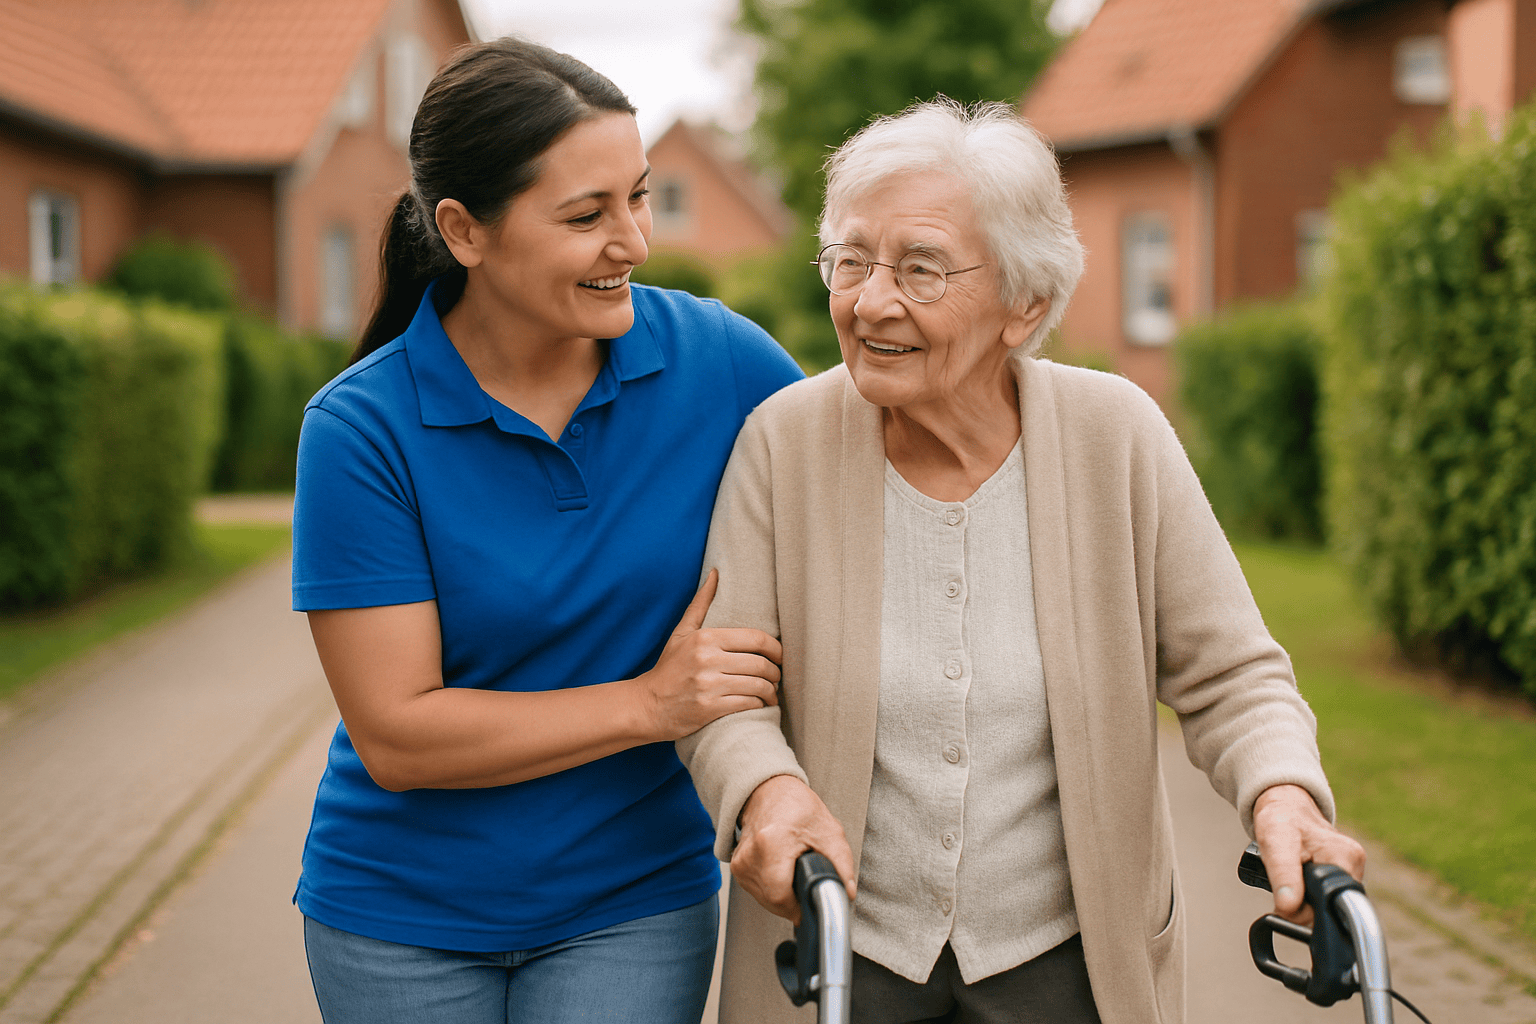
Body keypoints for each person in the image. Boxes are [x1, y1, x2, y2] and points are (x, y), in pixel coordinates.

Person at [677, 98, 1365, 1024]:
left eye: (920, 270)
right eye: (852, 260)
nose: (870, 300)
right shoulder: (781, 444)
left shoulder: (1114, 435)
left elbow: (1233, 674)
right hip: (836, 953)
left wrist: (1285, 798)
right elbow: (727, 697)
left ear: (1025, 302)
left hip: (1066, 962)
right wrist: (765, 793)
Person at [290, 38, 802, 1024]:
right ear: (464, 231)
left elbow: (872, 471)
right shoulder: (360, 429)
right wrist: (650, 704)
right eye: (586, 215)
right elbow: (397, 734)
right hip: (398, 920)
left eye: (638, 198)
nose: (634, 242)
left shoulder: (720, 361)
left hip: (632, 904)